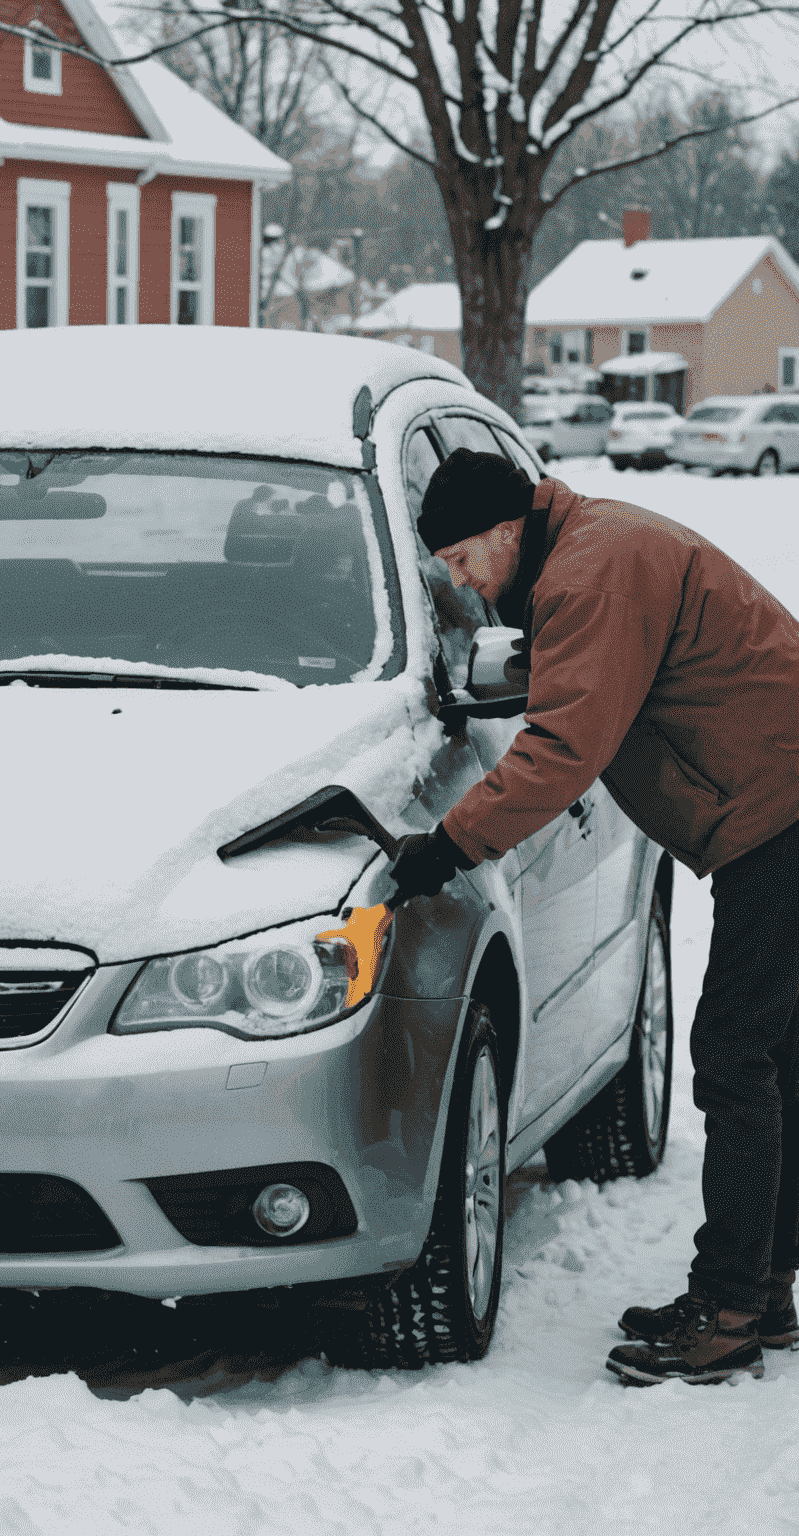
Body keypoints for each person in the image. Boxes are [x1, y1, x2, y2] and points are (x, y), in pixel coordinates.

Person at [391, 447, 799, 1386]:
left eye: (458, 558)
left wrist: (450, 844)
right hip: (775, 800)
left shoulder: (588, 573)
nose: (457, 579)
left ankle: (732, 1306)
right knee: (771, 1054)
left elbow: (564, 746)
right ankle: (761, 1289)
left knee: (737, 1057)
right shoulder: (585, 551)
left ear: (504, 531)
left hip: (779, 808)